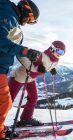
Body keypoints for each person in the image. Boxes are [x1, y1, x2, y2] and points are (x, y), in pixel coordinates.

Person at [0, 0, 41, 139]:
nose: (28, 22)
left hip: (2, 68)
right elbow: (1, 40)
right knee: (5, 103)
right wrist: (25, 51)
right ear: (25, 10)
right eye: (30, 19)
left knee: (5, 102)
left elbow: (12, 47)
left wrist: (27, 54)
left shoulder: (12, 19)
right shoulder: (8, 15)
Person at [9, 40, 66, 127]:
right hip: (19, 77)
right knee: (8, 100)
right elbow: (20, 55)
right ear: (52, 49)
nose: (60, 54)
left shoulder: (56, 60)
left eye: (63, 52)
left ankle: (26, 119)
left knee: (33, 98)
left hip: (31, 79)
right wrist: (35, 69)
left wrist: (52, 69)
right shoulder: (40, 55)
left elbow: (48, 65)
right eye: (58, 51)